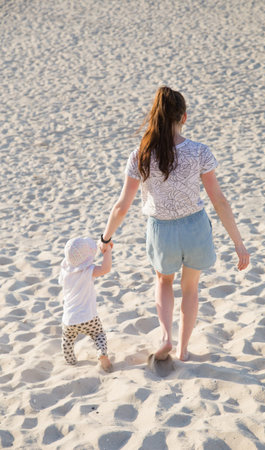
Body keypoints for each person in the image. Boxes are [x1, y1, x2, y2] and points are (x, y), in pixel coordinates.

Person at [99, 86, 250, 362]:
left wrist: (106, 238)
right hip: (195, 227)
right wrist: (238, 243)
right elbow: (219, 200)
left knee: (163, 281)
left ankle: (166, 336)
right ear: (184, 117)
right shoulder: (199, 151)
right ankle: (183, 349)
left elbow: (122, 206)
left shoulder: (140, 154)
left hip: (162, 230)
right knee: (191, 288)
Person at [59, 236, 113, 371]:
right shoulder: (89, 271)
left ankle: (70, 360)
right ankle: (102, 354)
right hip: (89, 317)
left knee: (67, 340)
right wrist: (107, 252)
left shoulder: (65, 270)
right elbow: (106, 269)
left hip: (69, 319)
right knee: (99, 335)